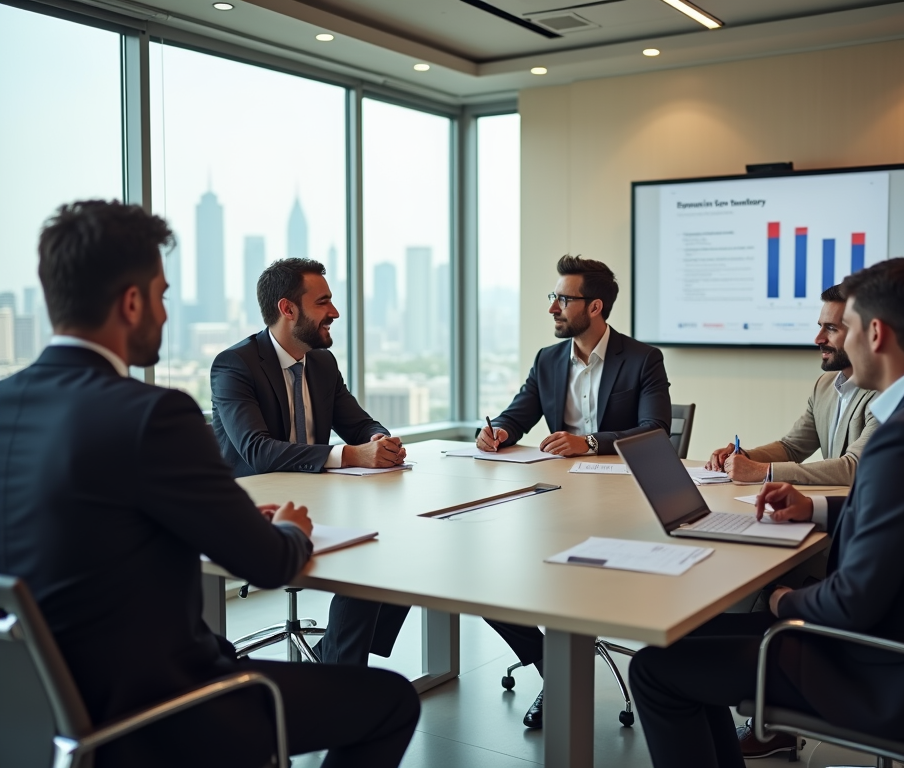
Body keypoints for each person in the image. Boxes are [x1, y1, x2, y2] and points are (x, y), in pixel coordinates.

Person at [0, 201, 419, 768]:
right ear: (131, 303)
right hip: (166, 706)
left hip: (40, 711)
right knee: (391, 701)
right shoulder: (155, 415)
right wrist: (288, 530)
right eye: (163, 295)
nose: (166, 314)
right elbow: (270, 565)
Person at [629, 258, 904, 768]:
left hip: (884, 672)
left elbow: (849, 604)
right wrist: (818, 507)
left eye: (845, 327)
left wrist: (779, 598)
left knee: (656, 670)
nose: (837, 341)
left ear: (875, 333)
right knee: (693, 636)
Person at [478, 254, 672, 728]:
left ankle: (564, 671)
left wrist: (588, 442)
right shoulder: (548, 360)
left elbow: (656, 430)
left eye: (564, 299)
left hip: (622, 505)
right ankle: (554, 669)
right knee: (487, 580)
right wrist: (498, 432)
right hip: (553, 500)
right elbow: (517, 414)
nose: (553, 308)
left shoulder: (642, 358)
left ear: (596, 306)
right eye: (554, 297)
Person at [211, 257, 410, 666]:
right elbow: (257, 450)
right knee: (372, 563)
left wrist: (377, 439)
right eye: (324, 303)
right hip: (258, 508)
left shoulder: (322, 363)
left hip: (317, 498)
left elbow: (357, 422)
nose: (334, 313)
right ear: (288, 309)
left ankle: (337, 661)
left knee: (398, 548)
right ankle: (340, 674)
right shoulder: (235, 365)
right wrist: (353, 455)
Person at [706, 285, 878, 485]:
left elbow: (855, 467)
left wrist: (764, 471)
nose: (818, 339)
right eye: (820, 326)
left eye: (831, 328)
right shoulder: (825, 385)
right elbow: (791, 448)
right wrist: (743, 458)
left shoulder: (887, 393)